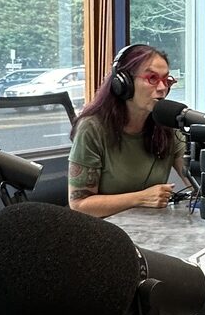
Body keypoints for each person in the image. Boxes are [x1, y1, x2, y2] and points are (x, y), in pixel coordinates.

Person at [67, 43, 188, 215]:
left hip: (150, 229)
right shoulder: (92, 128)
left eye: (166, 80)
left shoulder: (168, 126)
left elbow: (195, 181)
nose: (162, 88)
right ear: (123, 83)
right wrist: (140, 198)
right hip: (102, 231)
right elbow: (79, 204)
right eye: (152, 78)